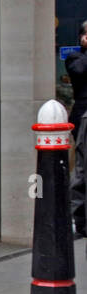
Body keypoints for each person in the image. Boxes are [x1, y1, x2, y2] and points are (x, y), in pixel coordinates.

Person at [64, 21, 87, 239]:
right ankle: (80, 221)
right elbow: (79, 71)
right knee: (83, 170)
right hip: (83, 118)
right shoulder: (75, 58)